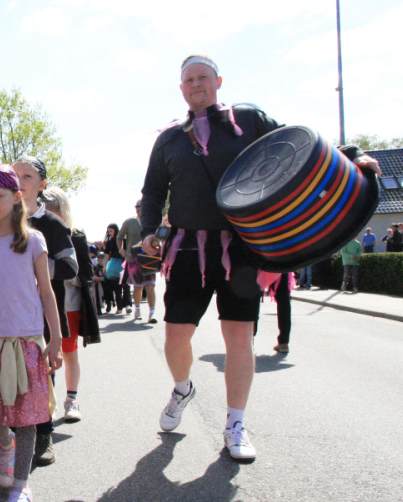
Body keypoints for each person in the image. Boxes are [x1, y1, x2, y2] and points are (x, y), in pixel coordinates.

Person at [140, 54, 380, 462]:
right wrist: (149, 230)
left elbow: (301, 148)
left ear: (218, 81)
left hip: (243, 248)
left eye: (202, 77)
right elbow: (151, 193)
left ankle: (236, 423)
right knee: (175, 337)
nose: (196, 84)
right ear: (181, 89)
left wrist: (353, 153)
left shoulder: (248, 120)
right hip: (187, 249)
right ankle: (182, 389)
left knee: (239, 336)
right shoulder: (169, 139)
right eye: (189, 80)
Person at [0, 166, 63, 502]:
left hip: (28, 340)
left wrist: (55, 340)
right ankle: (5, 442)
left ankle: (21, 487)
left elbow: (47, 293)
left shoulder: (33, 241)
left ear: (17, 197)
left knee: (29, 416)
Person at [11, 156, 79, 466]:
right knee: (13, 375)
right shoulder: (1, 222)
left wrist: (35, 264)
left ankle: (43, 433)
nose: (20, 181)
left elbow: (69, 267)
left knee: (40, 377)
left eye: (27, 176)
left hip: (42, 315)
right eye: (15, 175)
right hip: (9, 314)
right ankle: (17, 434)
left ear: (42, 184)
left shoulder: (52, 224)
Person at [41, 187, 100, 422]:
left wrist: (57, 270)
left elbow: (85, 275)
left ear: (62, 209)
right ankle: (47, 402)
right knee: (42, 356)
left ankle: (71, 399)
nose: (47, 213)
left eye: (51, 209)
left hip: (68, 305)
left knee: (69, 353)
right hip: (39, 306)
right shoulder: (33, 233)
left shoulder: (76, 234)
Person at [120, 201, 158, 323]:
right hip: (133, 259)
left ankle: (152, 314)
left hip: (149, 258)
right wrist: (121, 249)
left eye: (140, 206)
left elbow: (159, 237)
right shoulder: (129, 222)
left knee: (150, 286)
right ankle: (137, 309)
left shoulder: (152, 222)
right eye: (136, 206)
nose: (138, 208)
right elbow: (119, 237)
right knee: (138, 287)